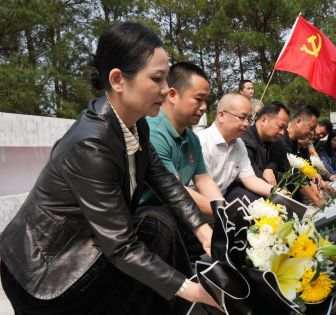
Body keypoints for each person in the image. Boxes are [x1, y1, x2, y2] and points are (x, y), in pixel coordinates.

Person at [0, 23, 220, 315]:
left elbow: (165, 181)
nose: (167, 89)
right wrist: (194, 291)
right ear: (118, 79)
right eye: (157, 78)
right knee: (154, 235)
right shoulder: (90, 144)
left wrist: (205, 233)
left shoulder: (136, 123)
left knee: (158, 222)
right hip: (44, 272)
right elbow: (121, 248)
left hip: (85, 247)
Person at [140, 61, 223, 216]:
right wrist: (222, 212)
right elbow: (175, 190)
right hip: (150, 212)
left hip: (179, 209)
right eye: (199, 99)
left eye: (206, 100)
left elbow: (203, 179)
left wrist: (222, 206)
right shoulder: (153, 133)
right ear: (172, 95)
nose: (204, 107)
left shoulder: (192, 138)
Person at [197, 94, 274, 202]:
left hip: (221, 202)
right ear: (221, 115)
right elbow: (203, 186)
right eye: (242, 118)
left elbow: (249, 178)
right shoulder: (202, 142)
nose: (247, 124)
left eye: (249, 119)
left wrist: (277, 192)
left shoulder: (239, 144)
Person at [268, 104, 326, 207]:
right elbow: (294, 176)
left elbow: (300, 173)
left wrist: (316, 193)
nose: (312, 133)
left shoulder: (294, 142)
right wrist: (318, 202)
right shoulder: (281, 141)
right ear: (298, 121)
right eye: (311, 128)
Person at [240, 101, 290, 186]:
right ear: (264, 120)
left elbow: (277, 162)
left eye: (285, 129)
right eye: (280, 127)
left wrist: (270, 168)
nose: (282, 133)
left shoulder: (275, 142)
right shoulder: (245, 141)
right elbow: (252, 177)